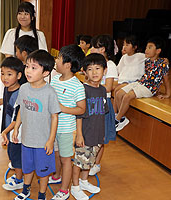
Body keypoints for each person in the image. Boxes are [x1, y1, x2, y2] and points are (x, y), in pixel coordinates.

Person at [12, 50, 61, 200]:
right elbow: (21, 109)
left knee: (43, 171)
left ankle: (41, 195)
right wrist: (16, 128)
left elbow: (54, 117)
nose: (28, 71)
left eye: (34, 68)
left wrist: (51, 140)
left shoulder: (50, 93)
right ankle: (26, 190)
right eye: (27, 66)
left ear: (45, 72)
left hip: (43, 143)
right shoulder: (24, 88)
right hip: (27, 139)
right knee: (27, 167)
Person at [50, 44, 86, 200]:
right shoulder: (55, 79)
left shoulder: (77, 86)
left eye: (59, 58)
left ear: (67, 65)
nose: (56, 60)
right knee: (56, 155)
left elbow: (81, 109)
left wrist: (63, 108)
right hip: (54, 127)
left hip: (66, 129)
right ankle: (57, 176)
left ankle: (65, 190)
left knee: (66, 160)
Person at [71, 53, 108, 200]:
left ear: (104, 70)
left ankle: (84, 181)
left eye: (98, 68)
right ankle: (75, 187)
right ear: (84, 72)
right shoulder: (83, 90)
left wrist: (102, 133)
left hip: (97, 133)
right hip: (85, 134)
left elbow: (102, 115)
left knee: (89, 161)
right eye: (90, 69)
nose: (94, 72)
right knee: (79, 162)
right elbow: (79, 115)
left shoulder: (103, 90)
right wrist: (79, 134)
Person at [115, 36, 170, 131]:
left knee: (128, 96)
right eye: (146, 47)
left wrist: (167, 94)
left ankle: (117, 119)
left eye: (150, 47)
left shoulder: (163, 63)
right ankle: (122, 117)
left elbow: (166, 79)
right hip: (140, 83)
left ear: (158, 51)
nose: (146, 50)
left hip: (149, 88)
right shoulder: (146, 60)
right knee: (119, 93)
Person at [88, 34, 117, 176]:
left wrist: (94, 85)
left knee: (101, 136)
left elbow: (109, 87)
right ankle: (89, 159)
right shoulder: (93, 64)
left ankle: (97, 164)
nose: (91, 49)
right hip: (92, 102)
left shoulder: (110, 65)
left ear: (103, 49)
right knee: (91, 133)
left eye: (94, 46)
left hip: (103, 104)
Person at [0, 57, 24, 190]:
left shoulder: (19, 94)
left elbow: (17, 119)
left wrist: (6, 131)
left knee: (16, 156)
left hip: (15, 132)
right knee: (12, 153)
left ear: (19, 75)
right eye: (2, 73)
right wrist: (2, 100)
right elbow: (9, 103)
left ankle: (19, 180)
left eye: (9, 74)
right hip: (8, 128)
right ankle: (18, 175)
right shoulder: (8, 88)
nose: (4, 77)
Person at [113, 35, 145, 113]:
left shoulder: (140, 56)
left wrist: (165, 60)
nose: (124, 47)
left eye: (127, 45)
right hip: (124, 82)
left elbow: (153, 58)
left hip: (134, 82)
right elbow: (118, 69)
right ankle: (114, 113)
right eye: (124, 44)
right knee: (115, 90)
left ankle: (118, 115)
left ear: (134, 47)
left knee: (118, 91)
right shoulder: (124, 57)